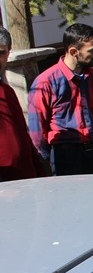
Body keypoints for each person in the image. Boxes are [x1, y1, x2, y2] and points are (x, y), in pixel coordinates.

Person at [28, 23, 93, 175]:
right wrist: (51, 159)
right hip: (66, 157)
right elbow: (37, 132)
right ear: (74, 51)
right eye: (92, 50)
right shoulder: (45, 82)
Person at [1, 27, 48, 181]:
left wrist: (39, 171)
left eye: (1, 53)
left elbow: (22, 135)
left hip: (24, 180)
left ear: (9, 53)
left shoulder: (7, 91)